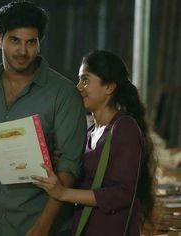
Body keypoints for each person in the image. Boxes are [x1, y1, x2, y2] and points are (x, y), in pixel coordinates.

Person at [0, 1, 87, 236]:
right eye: (14, 40)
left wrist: (41, 227)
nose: (23, 51)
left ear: (39, 44)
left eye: (31, 42)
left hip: (43, 226)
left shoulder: (63, 94)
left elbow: (69, 165)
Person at [32, 50, 157, 236]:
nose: (78, 87)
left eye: (86, 80)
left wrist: (63, 193)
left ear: (109, 87)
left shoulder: (124, 129)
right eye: (79, 80)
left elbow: (123, 193)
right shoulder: (90, 132)